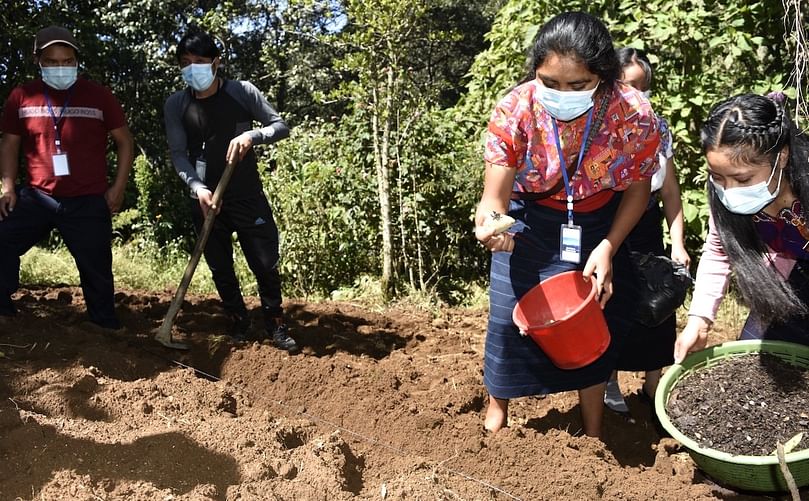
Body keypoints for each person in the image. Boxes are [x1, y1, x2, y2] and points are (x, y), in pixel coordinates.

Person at [475, 12, 662, 437]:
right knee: (508, 317)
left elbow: (637, 189)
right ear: (534, 73)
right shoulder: (516, 107)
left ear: (604, 74)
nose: (562, 94)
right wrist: (490, 225)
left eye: (578, 85)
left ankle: (593, 431)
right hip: (527, 222)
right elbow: (494, 194)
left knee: (593, 316)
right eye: (549, 82)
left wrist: (609, 246)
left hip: (598, 220)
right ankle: (496, 416)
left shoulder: (633, 112)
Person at [163, 31, 298, 353]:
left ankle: (275, 322)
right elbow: (178, 153)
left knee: (265, 263)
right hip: (206, 200)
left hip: (247, 195)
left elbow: (280, 126)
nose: (192, 68)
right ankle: (238, 319)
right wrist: (198, 187)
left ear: (216, 63)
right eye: (185, 63)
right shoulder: (177, 104)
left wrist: (253, 135)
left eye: (199, 61)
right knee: (220, 266)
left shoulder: (242, 92)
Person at [0, 26, 133, 329]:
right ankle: (3, 310)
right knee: (2, 238)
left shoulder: (99, 96)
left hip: (87, 200)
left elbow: (125, 141)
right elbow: (9, 143)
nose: (61, 68)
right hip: (37, 197)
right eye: (53, 61)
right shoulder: (22, 96)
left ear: (76, 61)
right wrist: (8, 188)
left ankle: (104, 326)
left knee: (97, 269)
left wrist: (118, 187)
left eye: (67, 61)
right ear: (39, 61)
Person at [675, 92, 809, 361]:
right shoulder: (724, 195)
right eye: (717, 177)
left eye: (743, 179)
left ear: (781, 158)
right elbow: (718, 251)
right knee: (757, 362)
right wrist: (699, 320)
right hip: (786, 283)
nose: (729, 190)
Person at [604, 48, 691, 415]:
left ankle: (653, 383)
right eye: (626, 84)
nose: (635, 93)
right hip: (608, 220)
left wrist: (678, 242)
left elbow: (670, 190)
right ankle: (606, 380)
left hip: (647, 222)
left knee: (657, 301)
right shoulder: (598, 126)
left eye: (642, 86)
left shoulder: (658, 125)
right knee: (609, 301)